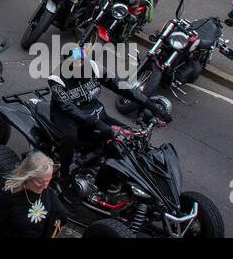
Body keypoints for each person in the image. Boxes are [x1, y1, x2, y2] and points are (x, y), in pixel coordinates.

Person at [48, 46, 165, 187]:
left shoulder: (94, 68)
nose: (82, 64)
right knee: (70, 137)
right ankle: (64, 173)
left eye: (83, 59)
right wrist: (98, 124)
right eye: (77, 61)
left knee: (130, 137)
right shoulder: (56, 78)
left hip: (94, 112)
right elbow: (68, 107)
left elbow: (123, 87)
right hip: (67, 116)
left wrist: (152, 107)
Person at [0, 152, 67, 238]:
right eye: (40, 182)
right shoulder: (8, 195)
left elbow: (55, 206)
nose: (45, 186)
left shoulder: (43, 189)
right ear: (28, 176)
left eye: (48, 180)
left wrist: (58, 218)